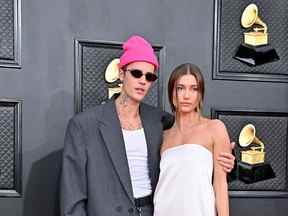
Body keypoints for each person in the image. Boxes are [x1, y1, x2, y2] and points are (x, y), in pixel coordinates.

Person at [61, 36, 234, 216]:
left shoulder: (159, 121)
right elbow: (72, 198)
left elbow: (192, 151)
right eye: (136, 73)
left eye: (149, 76)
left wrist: (229, 159)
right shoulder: (84, 125)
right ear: (121, 73)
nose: (143, 80)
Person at [153, 63, 230, 216]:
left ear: (200, 94)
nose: (186, 95)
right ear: (172, 93)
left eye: (194, 89)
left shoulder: (215, 128)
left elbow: (220, 185)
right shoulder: (163, 135)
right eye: (180, 88)